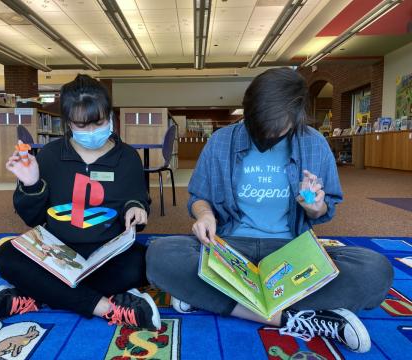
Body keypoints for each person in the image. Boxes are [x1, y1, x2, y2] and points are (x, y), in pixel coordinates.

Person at [146, 68, 393, 352]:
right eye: (258, 126)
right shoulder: (222, 141)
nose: (267, 136)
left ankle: (213, 296)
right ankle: (295, 316)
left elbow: (326, 209)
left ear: (297, 117)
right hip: (231, 247)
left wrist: (315, 207)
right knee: (160, 254)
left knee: (375, 270)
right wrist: (205, 214)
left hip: (291, 252)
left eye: (277, 129)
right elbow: (199, 197)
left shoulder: (314, 143)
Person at [0, 74, 160, 331]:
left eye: (98, 122)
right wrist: (32, 184)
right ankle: (107, 308)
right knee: (7, 256)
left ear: (110, 116)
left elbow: (137, 200)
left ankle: (37, 294)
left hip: (106, 252)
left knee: (148, 263)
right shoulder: (50, 156)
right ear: (67, 123)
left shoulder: (128, 157)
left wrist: (137, 208)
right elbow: (31, 219)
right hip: (56, 251)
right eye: (81, 125)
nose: (91, 131)